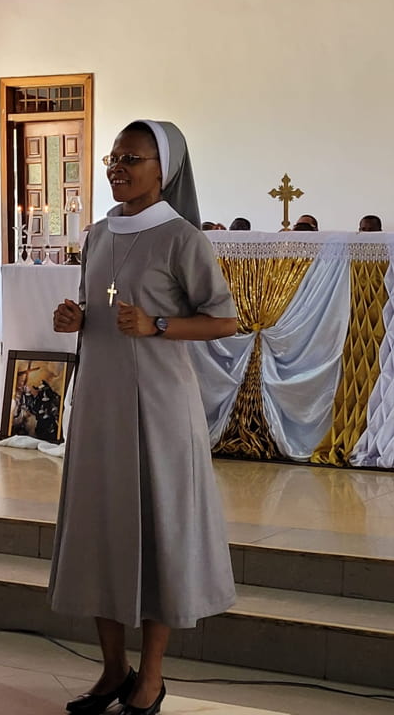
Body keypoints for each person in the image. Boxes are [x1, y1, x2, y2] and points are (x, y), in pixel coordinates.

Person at [50, 120, 238, 715]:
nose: (117, 166)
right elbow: (97, 305)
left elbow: (224, 320)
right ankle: (112, 671)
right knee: (104, 532)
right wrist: (76, 316)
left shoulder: (182, 238)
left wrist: (157, 325)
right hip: (101, 405)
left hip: (158, 408)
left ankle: (151, 677)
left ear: (165, 171)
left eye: (131, 158)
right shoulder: (100, 233)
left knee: (159, 536)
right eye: (113, 156)